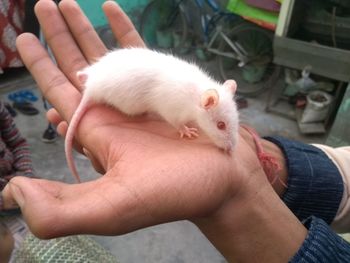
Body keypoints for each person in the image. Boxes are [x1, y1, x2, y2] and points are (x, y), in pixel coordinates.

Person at [1, 0, 350, 262]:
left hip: (112, 75)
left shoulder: (206, 95)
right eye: (223, 127)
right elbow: (166, 106)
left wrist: (250, 178)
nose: (226, 138)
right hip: (118, 90)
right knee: (141, 102)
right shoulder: (188, 97)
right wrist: (181, 125)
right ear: (209, 102)